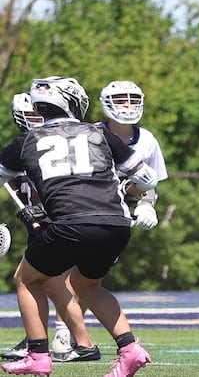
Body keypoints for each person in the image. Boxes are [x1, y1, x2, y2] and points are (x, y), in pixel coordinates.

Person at [0, 76, 155, 376]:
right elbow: (145, 178)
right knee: (87, 285)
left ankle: (37, 355)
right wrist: (133, 197)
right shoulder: (100, 132)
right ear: (73, 101)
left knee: (27, 279)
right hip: (116, 225)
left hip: (70, 225)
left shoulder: (27, 141)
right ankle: (130, 349)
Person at [47, 80, 168, 362]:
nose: (128, 105)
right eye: (121, 99)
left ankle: (70, 335)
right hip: (82, 208)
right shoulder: (89, 134)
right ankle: (63, 334)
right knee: (67, 275)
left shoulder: (147, 140)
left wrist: (147, 204)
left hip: (116, 217)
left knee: (87, 280)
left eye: (132, 99)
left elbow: (148, 183)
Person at [2, 93, 100, 363]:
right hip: (41, 226)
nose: (38, 120)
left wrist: (46, 212)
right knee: (44, 283)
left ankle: (74, 341)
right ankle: (42, 340)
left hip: (60, 223)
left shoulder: (53, 144)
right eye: (32, 115)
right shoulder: (24, 146)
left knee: (51, 283)